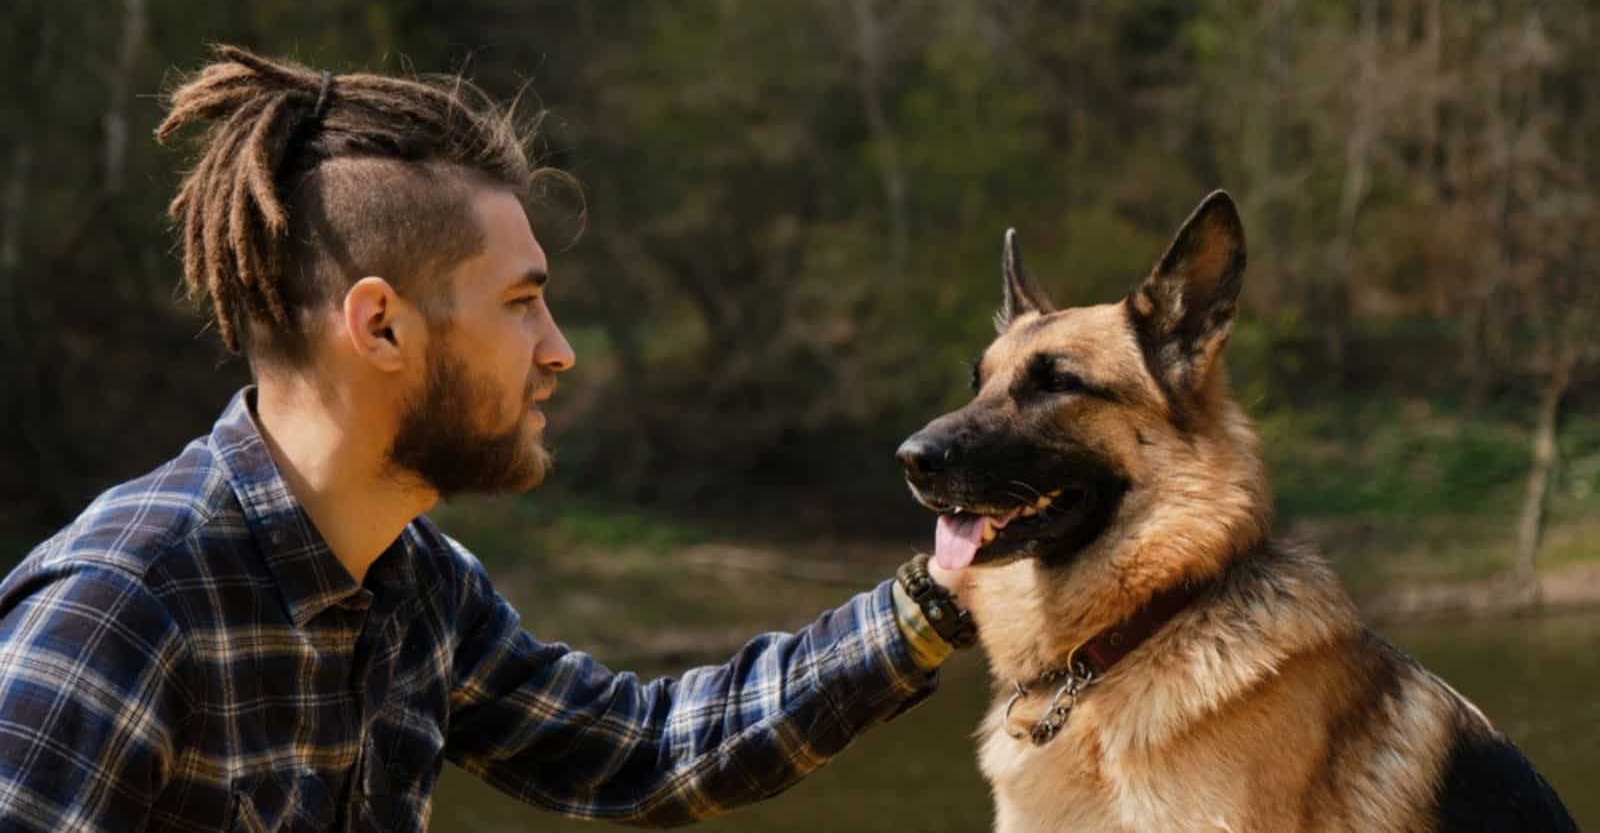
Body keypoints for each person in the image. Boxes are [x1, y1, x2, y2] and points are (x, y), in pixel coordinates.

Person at [0, 47, 973, 831]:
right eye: (521, 306)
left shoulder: (417, 585)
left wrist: (932, 601)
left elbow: (642, 754)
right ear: (379, 326)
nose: (559, 354)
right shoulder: (115, 618)